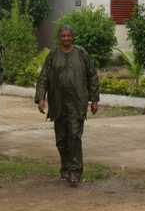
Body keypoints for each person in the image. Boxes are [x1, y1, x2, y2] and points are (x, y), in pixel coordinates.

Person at [35, 24, 100, 186]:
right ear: (59, 38)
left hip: (77, 103)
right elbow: (44, 78)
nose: (66, 38)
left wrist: (94, 99)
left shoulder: (81, 54)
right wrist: (41, 98)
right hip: (58, 104)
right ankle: (65, 169)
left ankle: (76, 171)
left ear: (72, 37)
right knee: (62, 140)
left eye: (68, 36)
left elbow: (92, 75)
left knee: (75, 137)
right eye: (63, 36)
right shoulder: (53, 55)